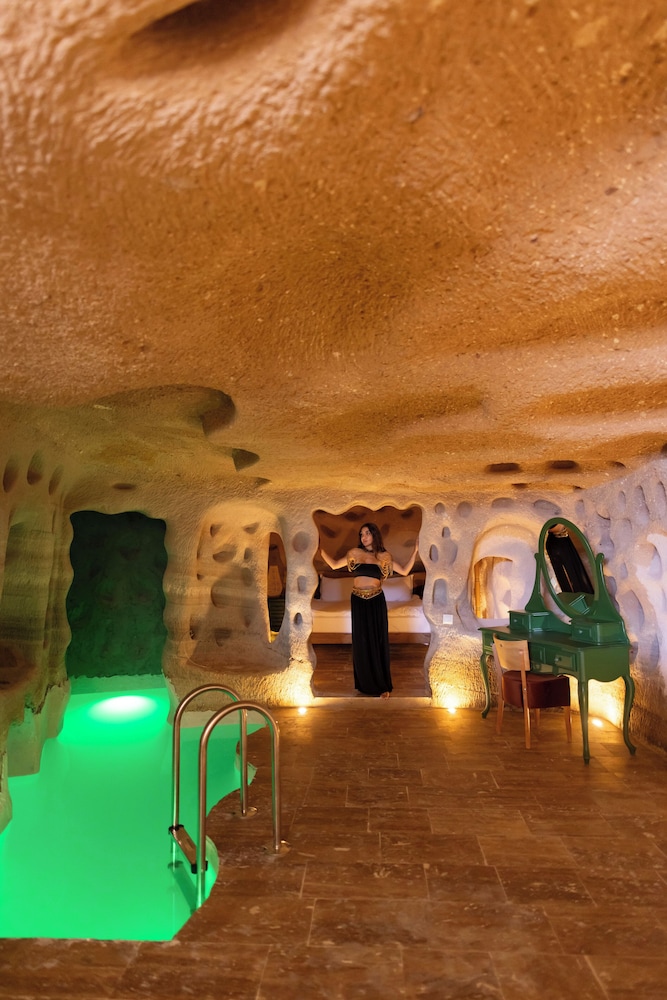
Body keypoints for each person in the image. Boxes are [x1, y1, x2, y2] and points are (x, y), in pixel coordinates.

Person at [319, 522, 419, 699]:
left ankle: (382, 685)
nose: (363, 537)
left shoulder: (384, 556)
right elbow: (334, 565)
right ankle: (364, 684)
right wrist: (319, 549)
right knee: (361, 642)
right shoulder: (354, 554)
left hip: (376, 600)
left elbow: (404, 571)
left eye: (367, 533)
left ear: (374, 534)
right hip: (358, 600)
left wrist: (416, 551)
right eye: (361, 534)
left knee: (377, 641)